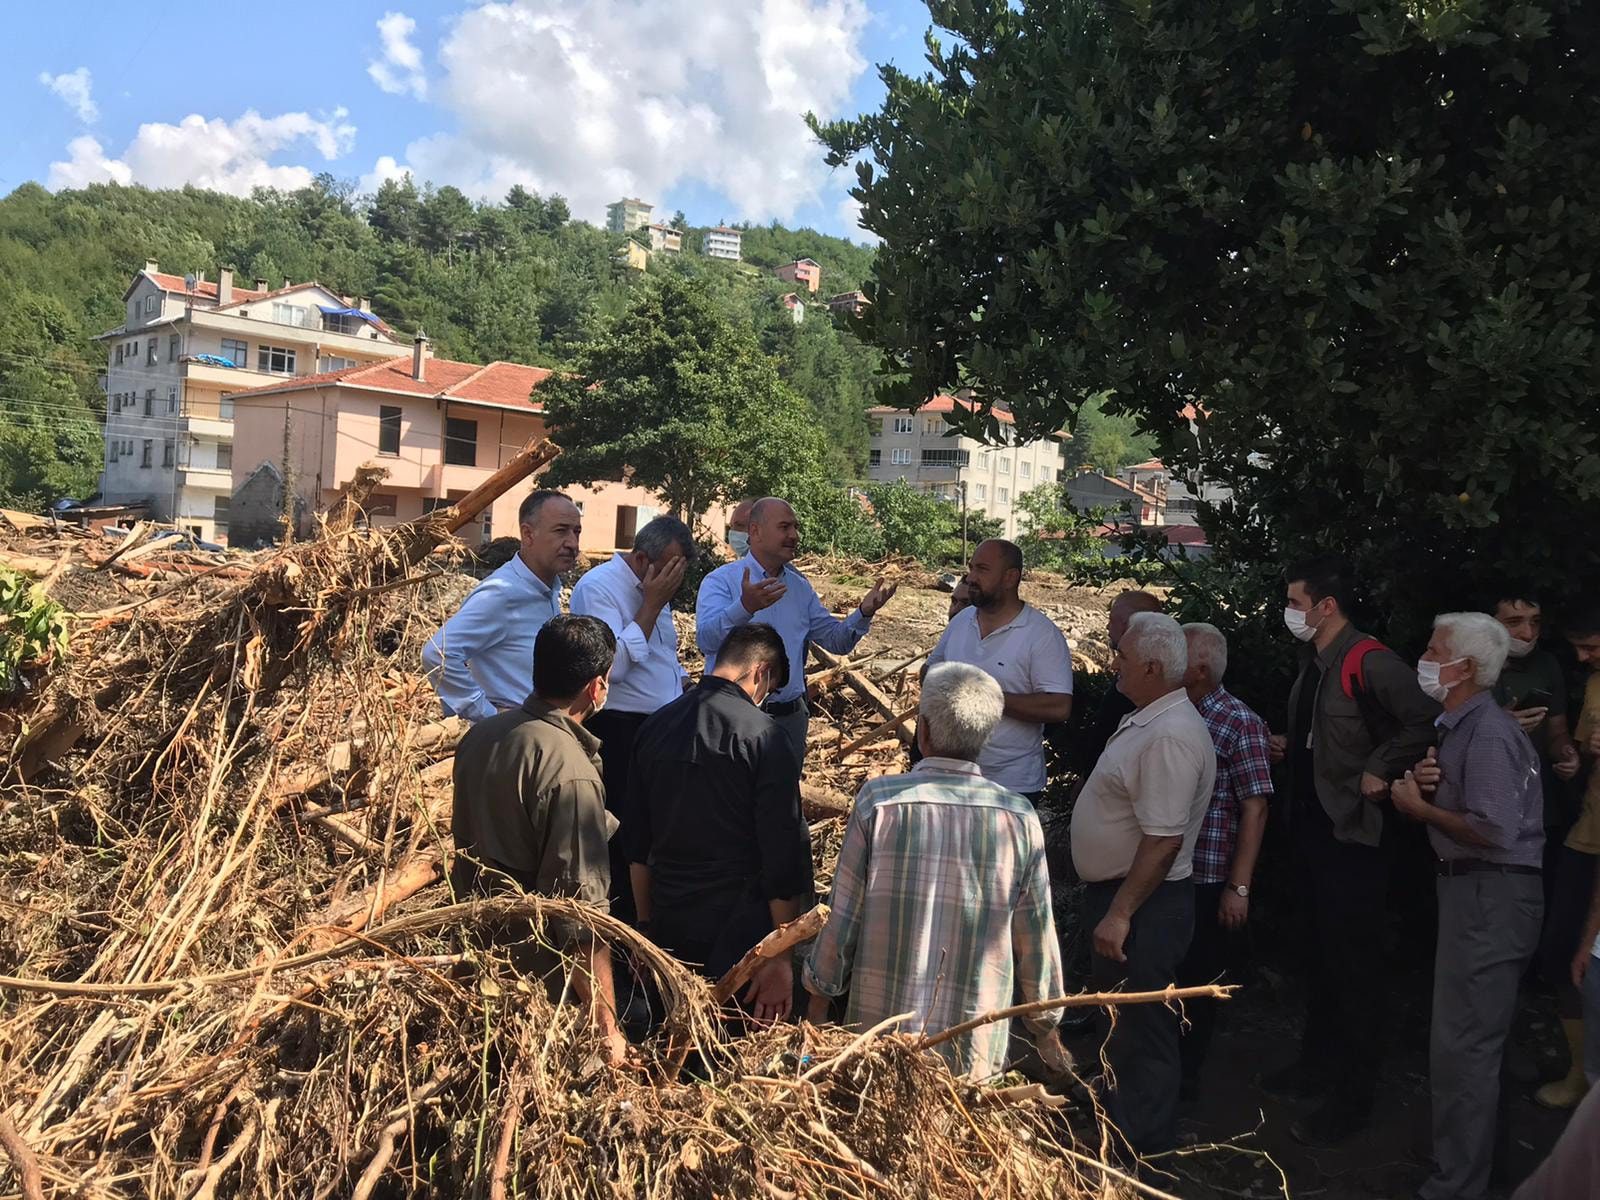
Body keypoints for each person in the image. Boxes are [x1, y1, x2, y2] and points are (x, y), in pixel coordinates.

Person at [804, 662, 1071, 1078]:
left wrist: (819, 999)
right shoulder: (1018, 817)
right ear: (987, 737)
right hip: (973, 1049)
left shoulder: (879, 803)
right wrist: (1045, 1027)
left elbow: (844, 915)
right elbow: (1034, 933)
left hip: (880, 1048)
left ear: (923, 731)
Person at [1262, 555, 1439, 1147]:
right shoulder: (1315, 661)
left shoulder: (1370, 661)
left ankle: (1353, 1097)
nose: (1288, 612)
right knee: (1319, 955)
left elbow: (1425, 720)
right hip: (1315, 834)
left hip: (1354, 839)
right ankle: (1316, 1065)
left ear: (1326, 605)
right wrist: (1291, 745)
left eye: (1294, 602)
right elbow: (1327, 738)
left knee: (1355, 967)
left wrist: (1379, 767)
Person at [1389, 613, 1543, 1200]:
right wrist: (1428, 786)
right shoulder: (1465, 727)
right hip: (1477, 893)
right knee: (1462, 1043)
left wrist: (1420, 808)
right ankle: (1461, 1167)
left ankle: (1458, 1184)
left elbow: (1495, 829)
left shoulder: (1488, 732)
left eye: (1435, 651)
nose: (1425, 658)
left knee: (1467, 1048)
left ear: (1466, 668)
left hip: (1490, 893)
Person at [449, 614, 625, 1065]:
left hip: (471, 967)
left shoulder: (480, 737)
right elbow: (580, 914)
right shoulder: (571, 772)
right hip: (538, 992)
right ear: (597, 687)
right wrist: (607, 1029)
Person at [1071, 611, 1215, 1155]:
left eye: (1122, 657)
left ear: (1153, 667)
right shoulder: (1152, 721)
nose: (1114, 665)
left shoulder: (1169, 736)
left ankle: (1141, 1147)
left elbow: (1163, 840)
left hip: (1144, 906)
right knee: (1121, 1021)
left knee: (1142, 1025)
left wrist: (1121, 913)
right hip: (1130, 899)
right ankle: (1118, 1124)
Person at [625, 624, 814, 1018]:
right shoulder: (764, 736)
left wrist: (644, 928)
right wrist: (780, 956)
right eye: (769, 689)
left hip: (669, 917)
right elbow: (782, 853)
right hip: (740, 932)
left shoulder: (655, 726)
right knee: (733, 1044)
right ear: (761, 672)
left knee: (672, 1034)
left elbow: (637, 845)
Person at [696, 497, 897, 763]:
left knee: (783, 791)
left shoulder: (800, 588)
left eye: (795, 527)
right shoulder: (721, 581)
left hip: (788, 721)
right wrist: (744, 606)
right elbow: (706, 642)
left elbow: (836, 641)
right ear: (755, 531)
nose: (794, 535)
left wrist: (864, 613)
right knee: (730, 788)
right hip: (732, 719)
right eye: (784, 527)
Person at [568, 516, 693, 921]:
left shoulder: (656, 584)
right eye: (670, 568)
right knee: (625, 832)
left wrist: (682, 683)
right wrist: (651, 604)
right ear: (641, 559)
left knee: (657, 830)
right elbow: (610, 667)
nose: (675, 579)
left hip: (662, 725)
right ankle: (620, 922)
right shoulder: (599, 588)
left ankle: (652, 917)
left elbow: (661, 655)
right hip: (621, 728)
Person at [1174, 622, 1274, 1103]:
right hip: (1164, 872)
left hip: (1208, 876)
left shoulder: (1240, 722)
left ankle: (1185, 1081)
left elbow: (1256, 806)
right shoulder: (1168, 711)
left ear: (1200, 668)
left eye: (1180, 654)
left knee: (1196, 982)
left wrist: (1239, 886)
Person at [925, 539, 1073, 800]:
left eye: (982, 569)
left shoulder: (1041, 635)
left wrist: (983, 697)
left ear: (1010, 578)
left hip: (1010, 784)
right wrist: (942, 685)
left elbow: (1059, 707)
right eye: (971, 568)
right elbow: (929, 670)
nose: (971, 577)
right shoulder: (961, 621)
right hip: (951, 775)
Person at [422, 490, 582, 722]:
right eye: (561, 531)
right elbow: (438, 653)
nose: (573, 543)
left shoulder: (547, 590)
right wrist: (489, 716)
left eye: (576, 532)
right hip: (511, 735)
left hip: (537, 730)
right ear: (528, 534)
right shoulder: (503, 593)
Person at [1532, 603, 1600, 1109]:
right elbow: (1582, 754)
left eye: (1591, 647)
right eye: (1577, 648)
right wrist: (1578, 758)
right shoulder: (1594, 684)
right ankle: (1581, 1074)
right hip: (1587, 836)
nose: (1582, 658)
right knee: (1565, 953)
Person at [1067, 590, 1164, 782]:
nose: (1107, 626)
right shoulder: (1132, 673)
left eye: (1111, 620)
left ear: (1130, 624)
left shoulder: (1144, 682)